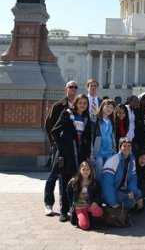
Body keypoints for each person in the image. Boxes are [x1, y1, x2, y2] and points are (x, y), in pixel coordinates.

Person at [50, 94, 93, 222]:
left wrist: (87, 155)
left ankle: (74, 210)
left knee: (78, 184)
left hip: (80, 155)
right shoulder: (67, 114)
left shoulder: (86, 118)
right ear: (76, 103)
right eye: (80, 103)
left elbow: (88, 138)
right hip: (67, 155)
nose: (82, 105)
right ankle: (64, 211)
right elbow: (55, 131)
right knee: (65, 183)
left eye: (85, 103)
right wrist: (61, 147)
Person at [43, 80, 79, 217]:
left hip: (71, 148)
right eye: (71, 87)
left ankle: (67, 205)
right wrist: (54, 143)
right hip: (59, 147)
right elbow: (49, 126)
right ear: (66, 88)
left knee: (66, 177)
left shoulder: (78, 107)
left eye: (75, 87)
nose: (73, 89)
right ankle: (48, 204)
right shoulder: (58, 106)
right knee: (52, 176)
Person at [101, 137, 142, 212]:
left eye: (129, 146)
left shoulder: (132, 160)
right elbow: (107, 185)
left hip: (122, 189)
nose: (127, 148)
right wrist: (112, 202)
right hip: (111, 191)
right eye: (124, 146)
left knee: (138, 193)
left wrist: (131, 192)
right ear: (120, 147)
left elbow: (133, 179)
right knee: (131, 202)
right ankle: (115, 207)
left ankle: (123, 208)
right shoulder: (113, 161)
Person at [67, 161, 103, 230]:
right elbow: (69, 193)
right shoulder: (74, 182)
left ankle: (89, 216)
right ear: (80, 170)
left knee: (99, 211)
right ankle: (78, 217)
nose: (85, 171)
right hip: (79, 207)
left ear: (91, 170)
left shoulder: (94, 182)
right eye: (83, 169)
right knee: (85, 226)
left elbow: (98, 194)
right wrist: (73, 205)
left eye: (88, 169)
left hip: (89, 205)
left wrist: (95, 202)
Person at [91, 99, 115, 182]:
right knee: (99, 173)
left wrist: (114, 151)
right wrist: (91, 153)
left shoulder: (112, 121)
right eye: (107, 106)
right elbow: (91, 136)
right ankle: (98, 191)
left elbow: (113, 138)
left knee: (108, 173)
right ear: (102, 107)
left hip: (109, 151)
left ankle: (105, 191)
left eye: (111, 107)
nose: (109, 109)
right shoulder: (96, 120)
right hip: (98, 152)